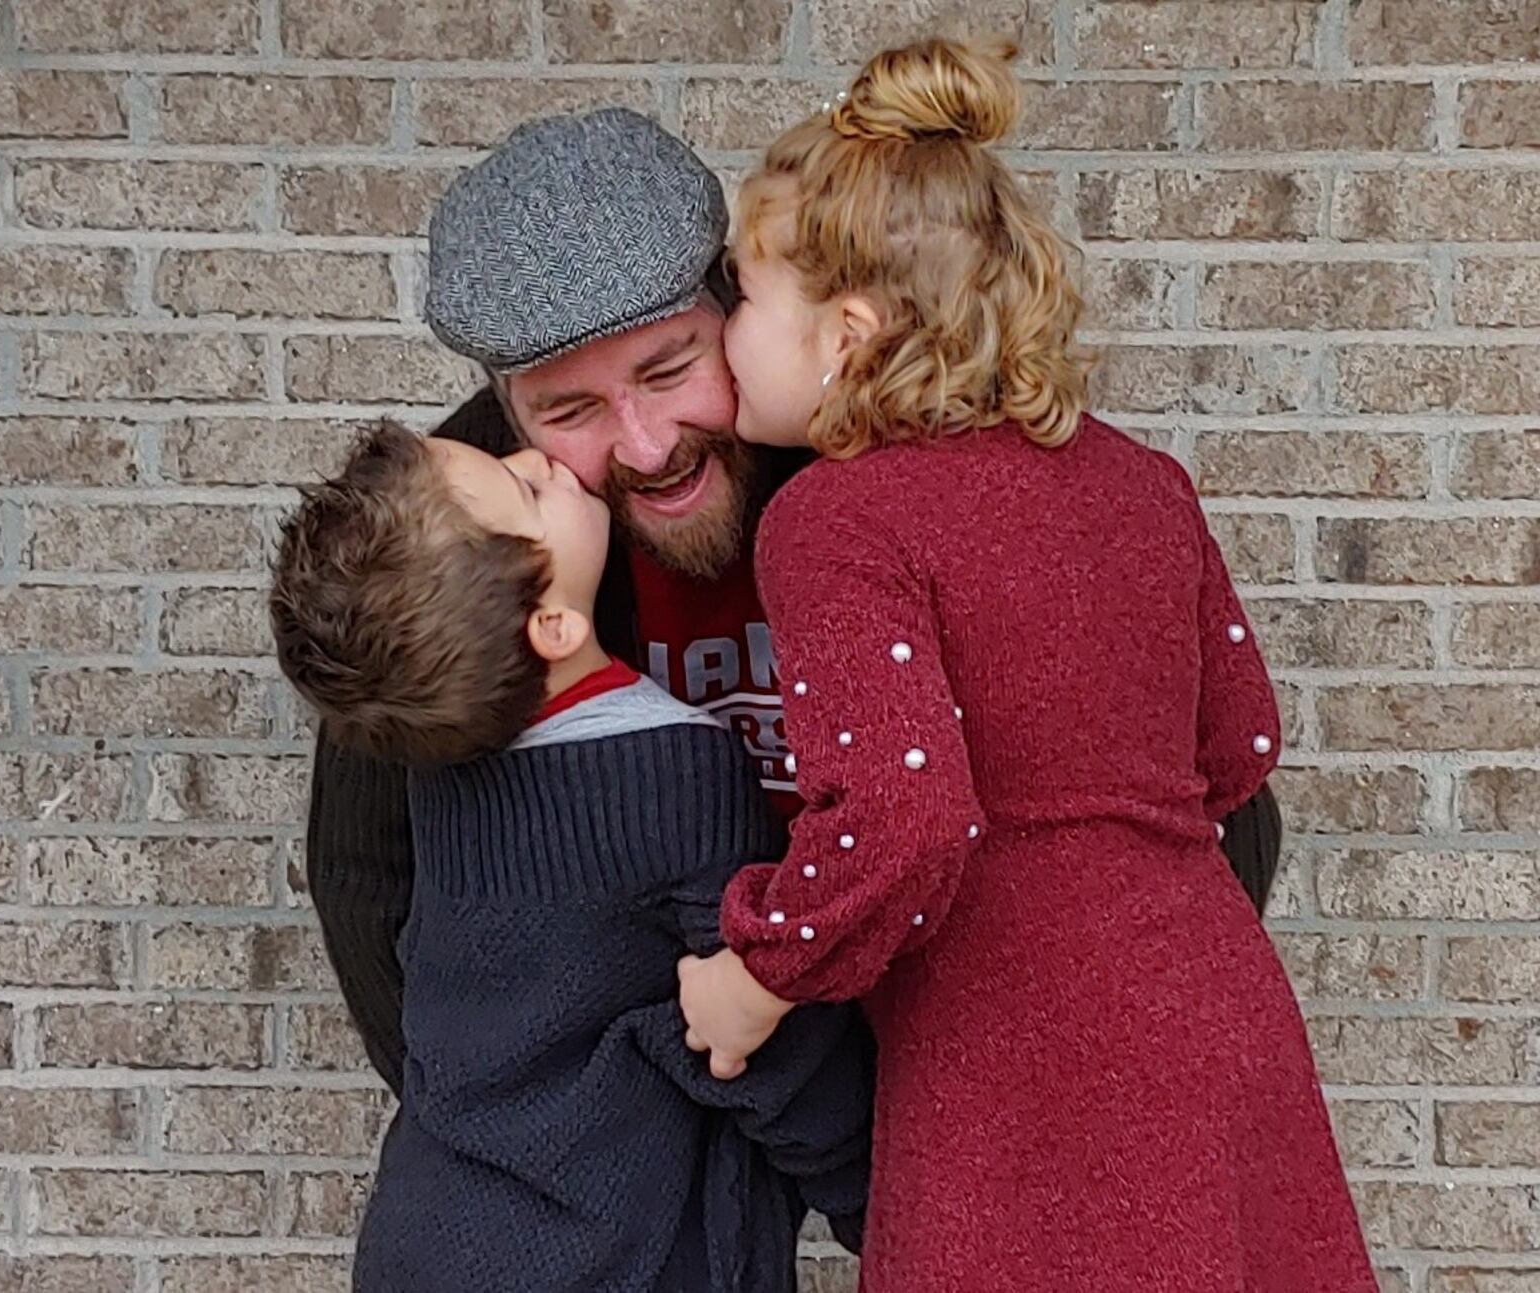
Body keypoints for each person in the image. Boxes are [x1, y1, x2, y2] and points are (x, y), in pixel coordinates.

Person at [302, 106, 1286, 1115]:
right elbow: (366, 868)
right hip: (653, 1134)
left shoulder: (920, 458)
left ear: (740, 309)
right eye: (570, 412)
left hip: (969, 1088)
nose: (645, 447)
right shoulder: (478, 516)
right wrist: (495, 1131)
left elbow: (1189, 802)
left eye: (669, 370)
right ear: (506, 414)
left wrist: (1118, 1073)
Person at [673, 38, 1376, 1293]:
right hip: (1216, 1017)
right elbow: (1237, 748)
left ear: (845, 332)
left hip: (1029, 1059)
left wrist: (760, 970)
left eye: (743, 296)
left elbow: (900, 818)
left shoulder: (836, 520)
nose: (724, 334)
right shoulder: (1142, 484)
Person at [269, 423, 872, 1292]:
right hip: (622, 1252)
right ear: (552, 623)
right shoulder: (671, 774)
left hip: (429, 1235)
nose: (537, 457)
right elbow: (767, 1029)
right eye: (527, 489)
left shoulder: (443, 777)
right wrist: (867, 1191)